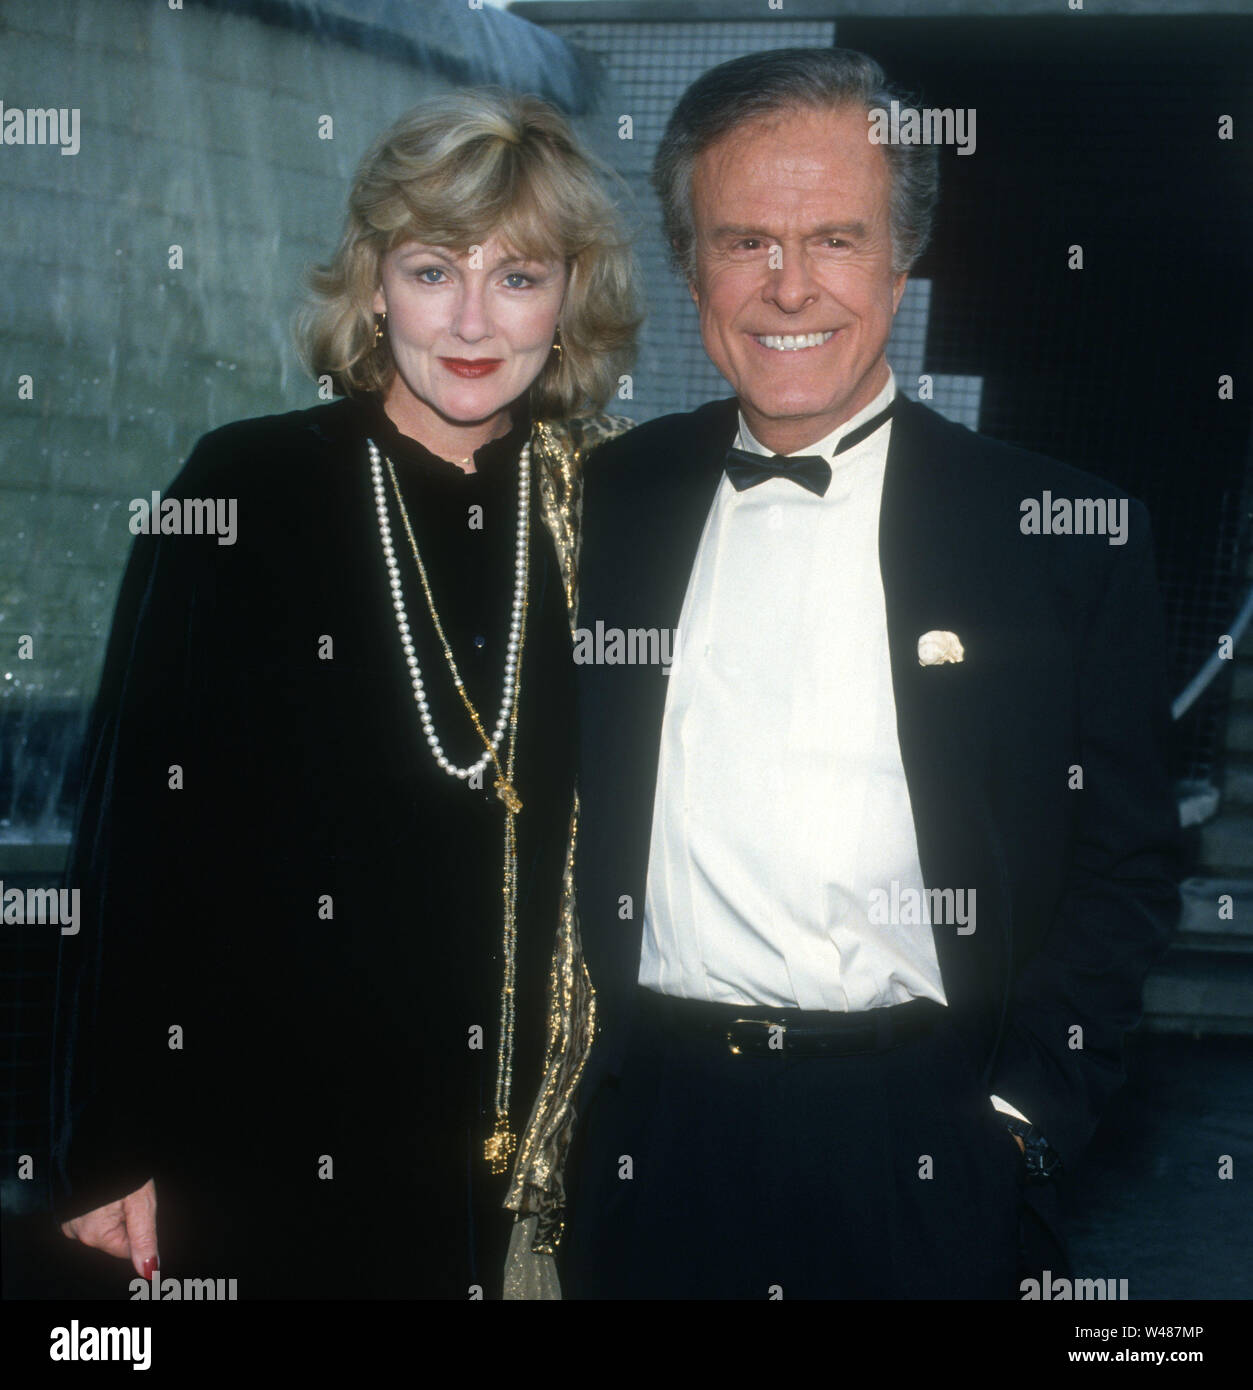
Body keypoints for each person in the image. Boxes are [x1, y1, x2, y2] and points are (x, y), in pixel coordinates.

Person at [561, 47, 1182, 1299]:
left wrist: (1020, 1115)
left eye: (834, 238)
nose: (788, 286)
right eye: (743, 242)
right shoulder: (600, 503)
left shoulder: (1060, 535)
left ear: (899, 265)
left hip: (928, 1151)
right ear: (692, 271)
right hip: (651, 1144)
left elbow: (1124, 862)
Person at [51, 88, 637, 1300]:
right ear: (373, 286)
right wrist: (107, 1148)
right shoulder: (246, 487)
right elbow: (136, 842)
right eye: (433, 271)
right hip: (266, 1139)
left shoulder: (608, 507)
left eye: (518, 276)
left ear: (569, 298)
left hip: (530, 1157)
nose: (473, 320)